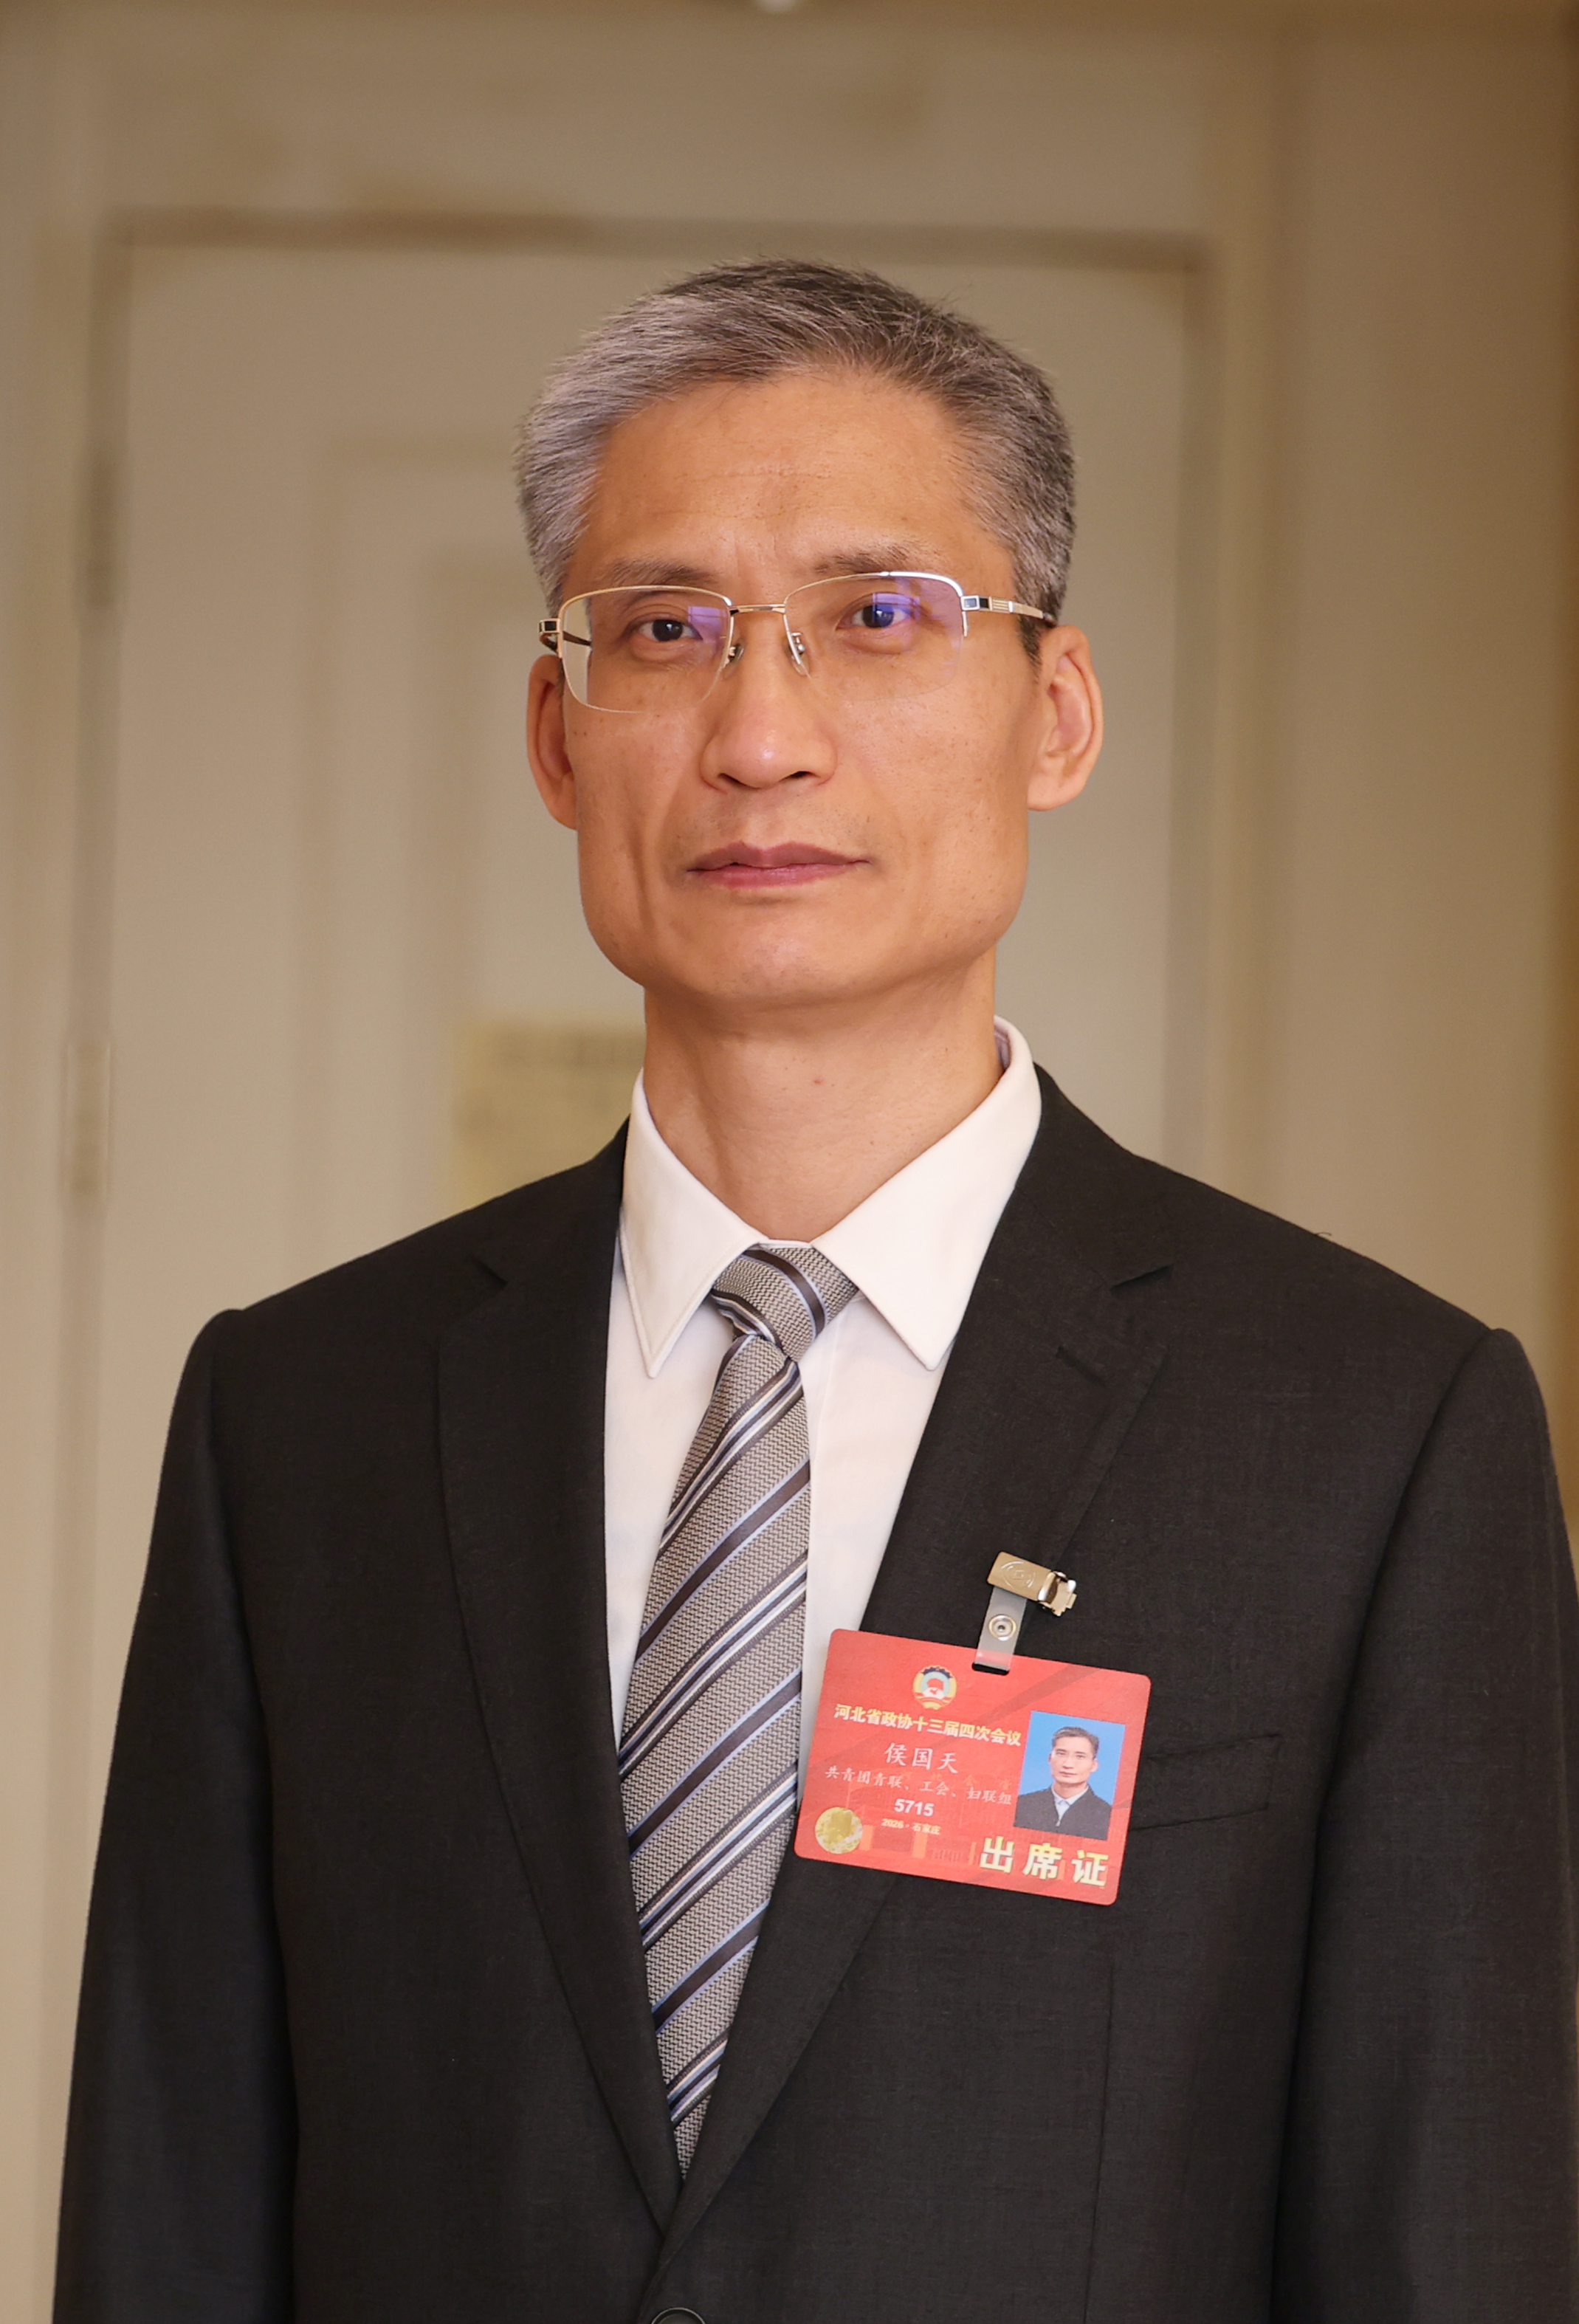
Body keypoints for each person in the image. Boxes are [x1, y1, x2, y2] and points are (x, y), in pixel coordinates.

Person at [55, 259, 1579, 2324]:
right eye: (663, 630)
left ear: (1054, 713)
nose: (760, 738)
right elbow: (169, 2205)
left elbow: (1448, 2232)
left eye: (877, 617)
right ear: (555, 734)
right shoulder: (299, 1415)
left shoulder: (1369, 1433)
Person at [1016, 1725, 1112, 1837]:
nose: (1068, 1764)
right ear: (1050, 1759)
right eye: (1061, 1754)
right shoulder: (1021, 1805)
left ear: (1094, 1765)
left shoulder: (1108, 1816)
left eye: (1080, 1757)